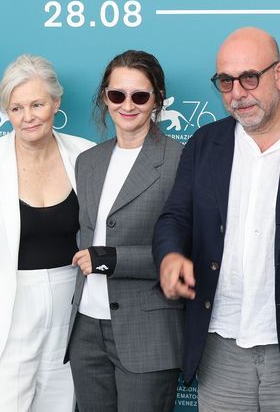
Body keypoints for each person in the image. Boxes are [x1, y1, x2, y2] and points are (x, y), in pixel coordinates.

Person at [153, 27, 280, 411]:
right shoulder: (204, 144)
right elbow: (174, 218)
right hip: (220, 350)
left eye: (249, 77)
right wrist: (170, 255)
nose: (237, 93)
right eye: (225, 81)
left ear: (279, 75)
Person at [0, 54, 94, 411]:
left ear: (56, 103)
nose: (27, 116)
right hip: (5, 312)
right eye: (16, 108)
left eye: (37, 104)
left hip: (69, 306)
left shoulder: (85, 154)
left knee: (59, 404)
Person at [65, 50, 184, 412]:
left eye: (140, 96)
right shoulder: (89, 161)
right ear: (105, 97)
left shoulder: (180, 160)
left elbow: (188, 251)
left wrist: (110, 260)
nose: (127, 105)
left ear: (157, 100)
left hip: (147, 332)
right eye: (117, 95)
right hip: (86, 329)